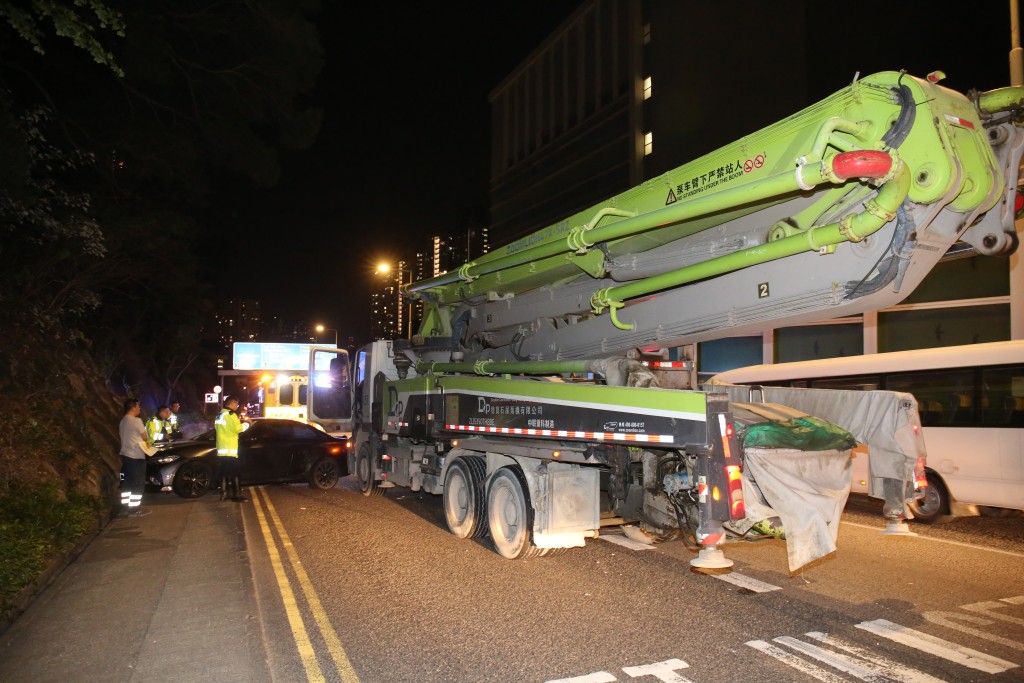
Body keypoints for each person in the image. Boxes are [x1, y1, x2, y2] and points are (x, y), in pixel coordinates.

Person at [118, 399, 151, 517]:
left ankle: (125, 507)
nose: (139, 409)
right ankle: (134, 509)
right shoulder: (137, 421)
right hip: (136, 456)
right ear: (133, 408)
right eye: (138, 407)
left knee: (128, 483)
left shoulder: (122, 421)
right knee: (138, 483)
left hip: (126, 455)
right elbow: (145, 437)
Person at [215, 395, 246, 502]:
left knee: (224, 472)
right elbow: (238, 429)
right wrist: (248, 424)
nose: (237, 407)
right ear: (232, 403)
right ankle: (237, 495)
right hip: (230, 449)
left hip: (221, 448)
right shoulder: (231, 415)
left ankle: (223, 494)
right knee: (235, 472)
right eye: (236, 404)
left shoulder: (219, 415)